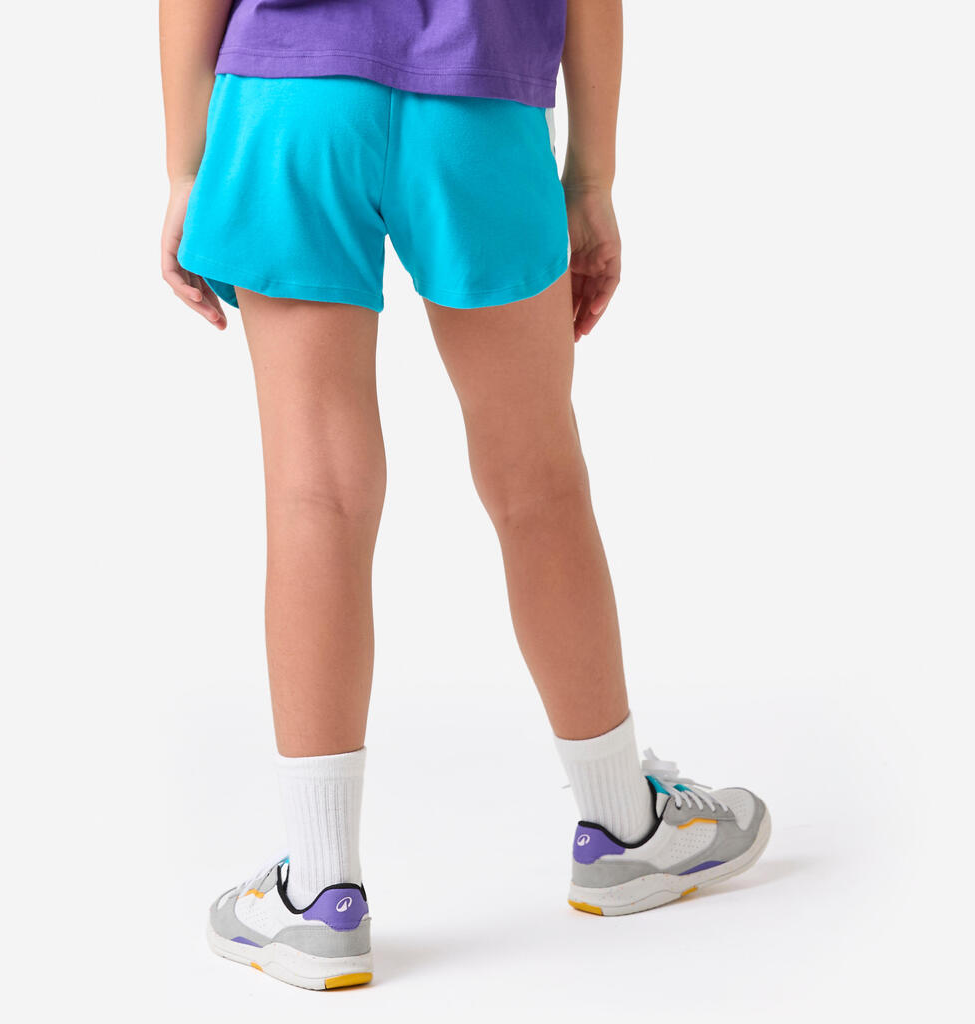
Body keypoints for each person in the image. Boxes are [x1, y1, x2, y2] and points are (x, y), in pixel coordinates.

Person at [160, 0, 769, 991]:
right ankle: (624, 828)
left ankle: (318, 895)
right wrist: (592, 181)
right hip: (478, 103)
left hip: (288, 101)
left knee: (315, 495)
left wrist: (188, 167)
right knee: (537, 482)